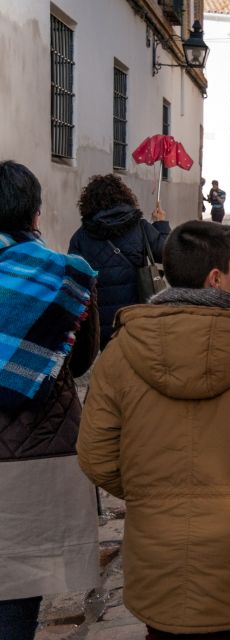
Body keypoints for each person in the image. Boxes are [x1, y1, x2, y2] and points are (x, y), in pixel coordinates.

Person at [78, 220, 230, 639]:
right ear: (215, 278)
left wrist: (150, 490)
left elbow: (96, 455)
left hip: (159, 551)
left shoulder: (120, 353)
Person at [0, 161, 100, 640]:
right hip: (36, 456)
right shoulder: (66, 277)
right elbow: (79, 361)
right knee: (19, 595)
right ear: (35, 214)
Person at [68, 174, 170, 350]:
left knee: (111, 364)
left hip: (101, 325)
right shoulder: (140, 227)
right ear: (125, 197)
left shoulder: (81, 237)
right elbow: (167, 253)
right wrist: (160, 225)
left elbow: (74, 282)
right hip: (136, 317)